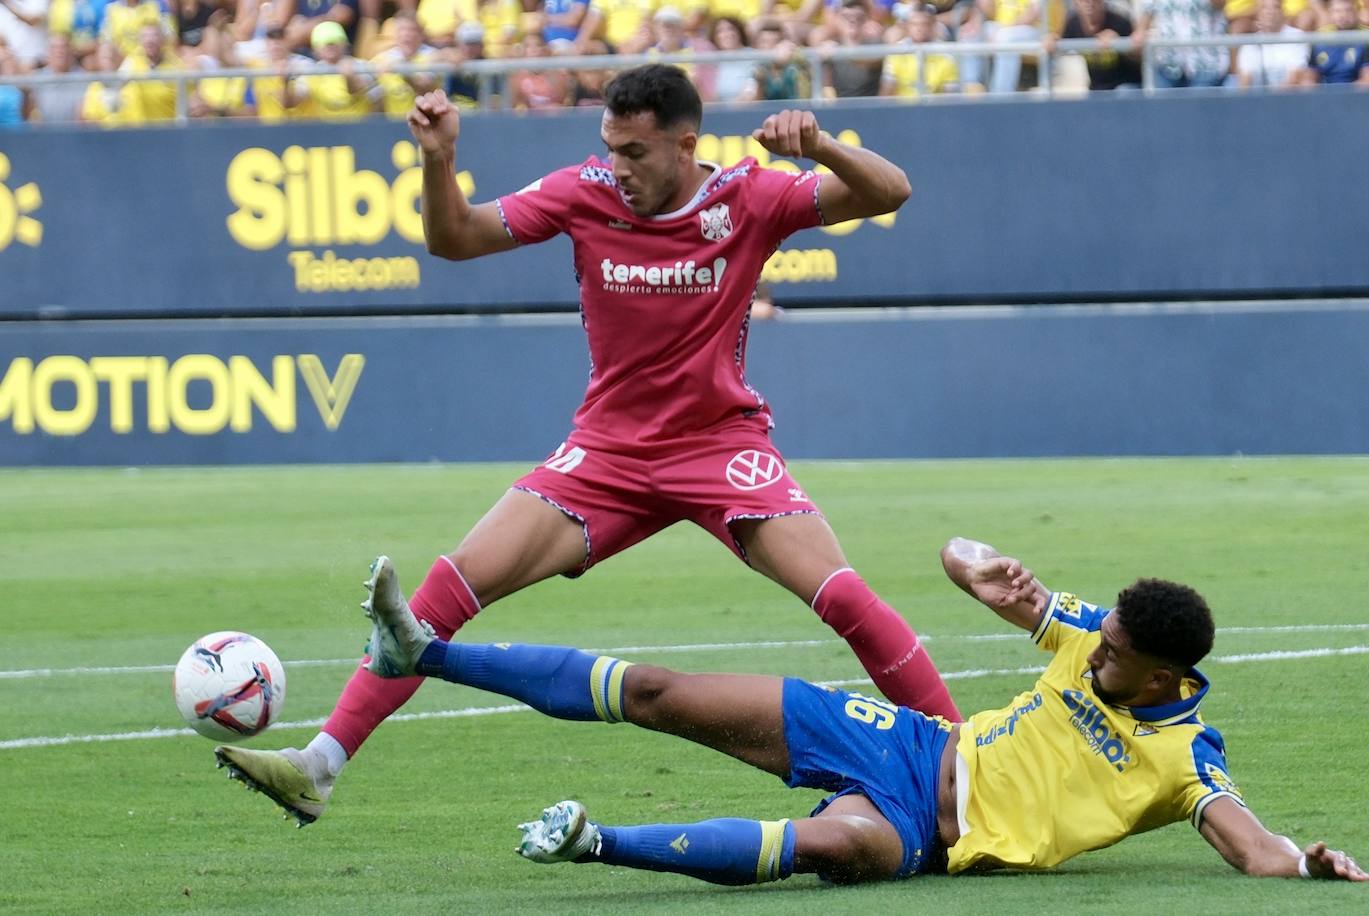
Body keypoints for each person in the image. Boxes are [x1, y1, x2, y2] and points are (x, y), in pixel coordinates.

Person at [215, 62, 960, 828]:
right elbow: (455, 239)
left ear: (684, 144)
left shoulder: (749, 195)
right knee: (449, 585)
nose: (618, 167)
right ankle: (319, 766)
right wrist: (438, 159)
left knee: (844, 597)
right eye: (610, 147)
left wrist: (823, 145)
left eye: (635, 152)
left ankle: (969, 767)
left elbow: (890, 190)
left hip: (719, 447)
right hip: (607, 453)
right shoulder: (584, 192)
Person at [223, 546, 1369, 885]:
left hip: (933, 836)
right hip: (907, 742)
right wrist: (1000, 579)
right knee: (668, 696)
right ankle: (424, 651)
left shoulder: (1184, 754)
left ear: (1165, 674)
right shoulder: (1090, 634)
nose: (1094, 652)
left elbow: (1251, 847)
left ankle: (591, 842)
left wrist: (1314, 864)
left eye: (1116, 653)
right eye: (1100, 636)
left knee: (832, 849)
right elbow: (965, 561)